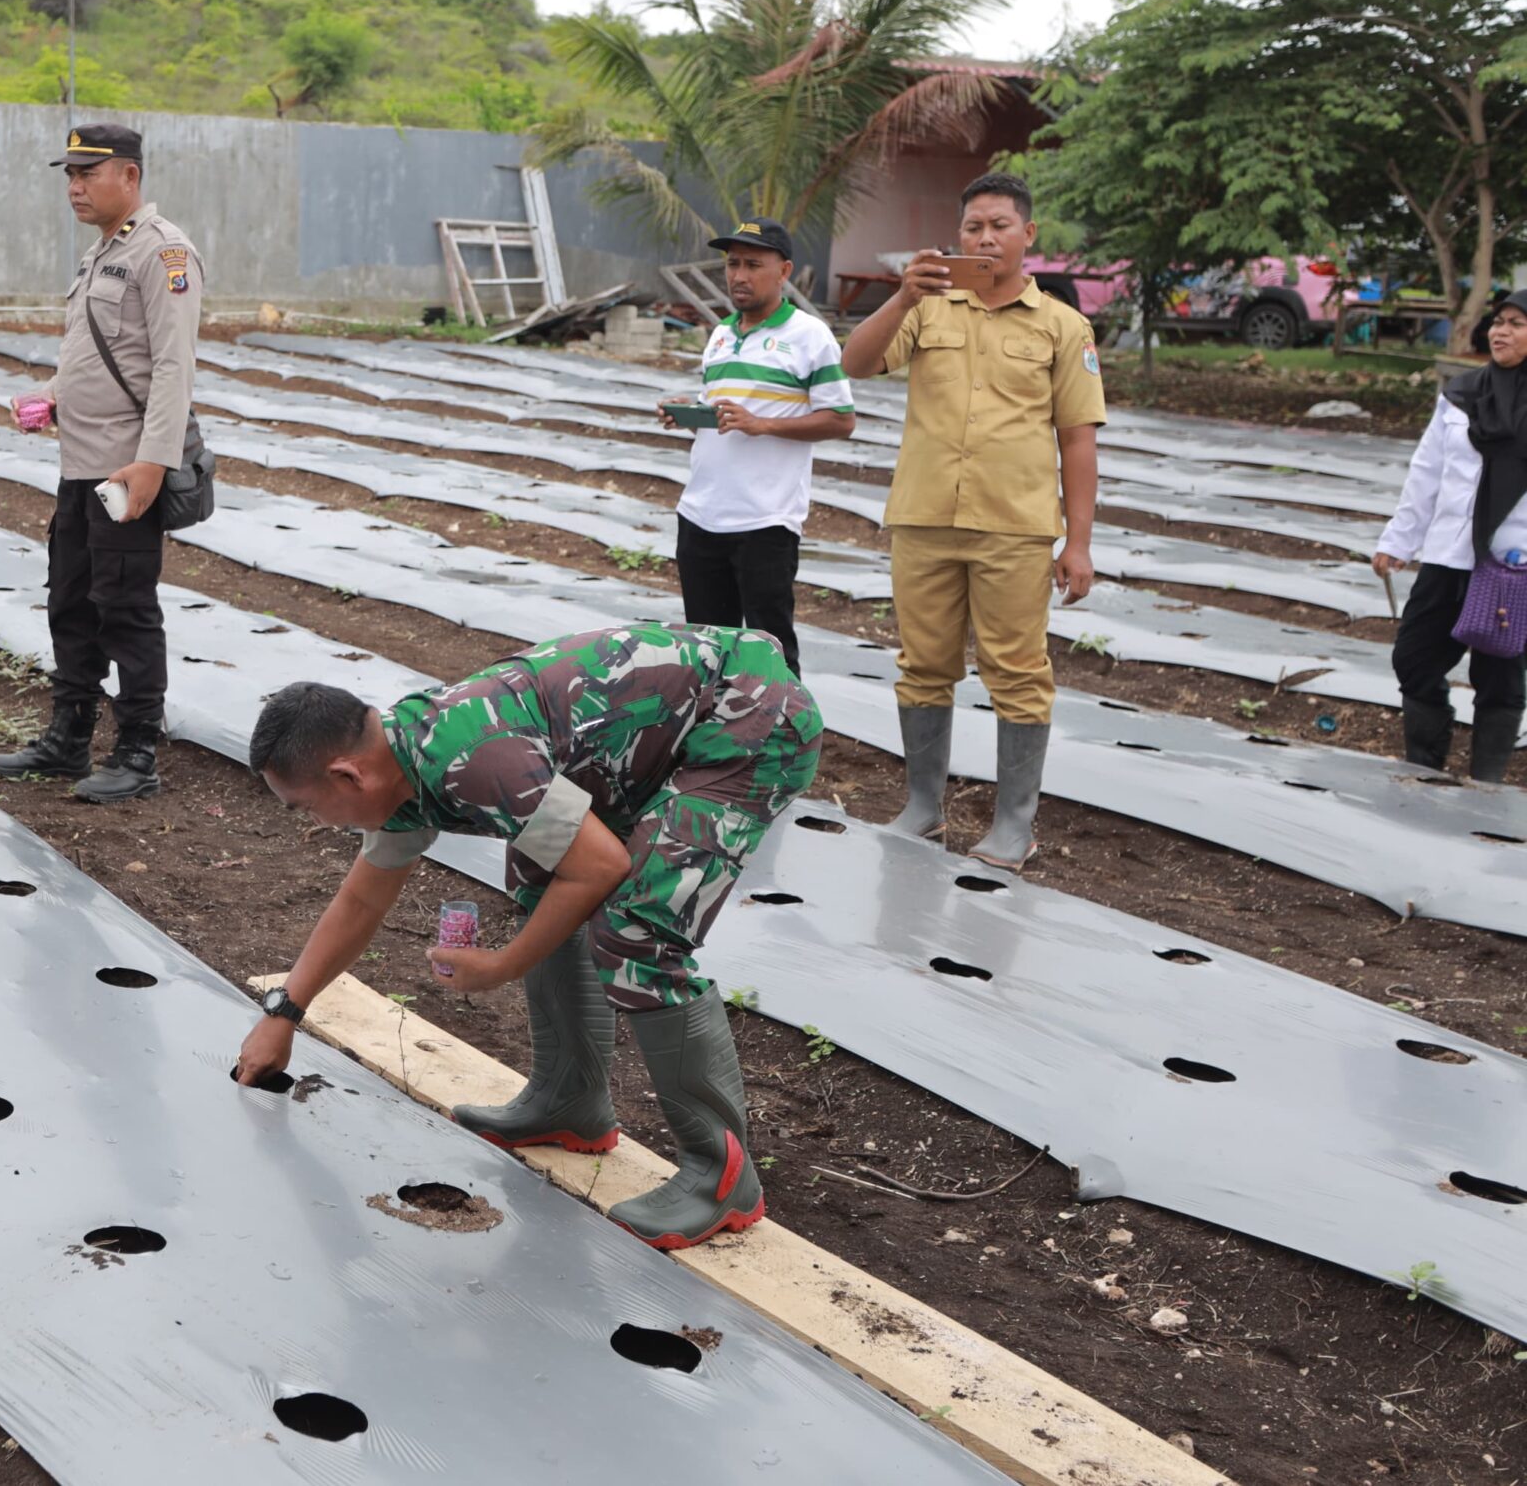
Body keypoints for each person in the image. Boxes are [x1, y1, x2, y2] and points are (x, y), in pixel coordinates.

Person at [237, 622, 823, 1250]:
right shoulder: (399, 767)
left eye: (305, 806)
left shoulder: (474, 761)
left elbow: (601, 867)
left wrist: (500, 966)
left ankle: (721, 1176)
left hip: (743, 719)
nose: (314, 822)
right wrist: (285, 1012)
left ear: (349, 776)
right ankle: (569, 1100)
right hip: (645, 739)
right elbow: (361, 899)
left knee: (639, 931)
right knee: (544, 880)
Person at [839, 172, 1105, 869]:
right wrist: (901, 295)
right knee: (923, 666)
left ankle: (1014, 824)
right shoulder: (927, 310)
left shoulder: (1062, 327)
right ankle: (923, 809)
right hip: (925, 517)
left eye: (998, 226)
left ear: (1028, 235)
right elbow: (855, 363)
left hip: (1014, 527)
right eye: (972, 228)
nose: (984, 239)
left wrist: (1077, 543)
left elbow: (1078, 438)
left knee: (1016, 671)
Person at [0, 124, 201, 804]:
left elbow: (172, 367)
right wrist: (48, 396)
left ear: (129, 177)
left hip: (124, 470)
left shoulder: (164, 251)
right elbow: (90, 354)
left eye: (89, 173)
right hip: (80, 465)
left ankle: (137, 749)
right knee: (70, 601)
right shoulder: (100, 253)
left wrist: (152, 464)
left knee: (125, 606)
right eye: (69, 175)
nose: (75, 186)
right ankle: (68, 735)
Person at [671, 217, 856, 674]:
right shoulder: (719, 335)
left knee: (769, 653)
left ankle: (782, 739)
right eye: (733, 264)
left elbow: (841, 420)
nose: (739, 275)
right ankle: (717, 741)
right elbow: (717, 417)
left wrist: (763, 424)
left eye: (754, 264)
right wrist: (687, 413)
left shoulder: (810, 336)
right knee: (707, 652)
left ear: (784, 270)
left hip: (764, 520)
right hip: (700, 514)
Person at [1375, 291, 1526, 784]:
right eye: (1498, 322)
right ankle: (1426, 765)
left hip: (1512, 563)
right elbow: (1428, 472)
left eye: (1516, 324)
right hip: (1449, 554)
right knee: (1414, 657)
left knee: (1500, 676)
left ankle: (1485, 783)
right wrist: (1399, 540)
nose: (1500, 332)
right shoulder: (1461, 395)